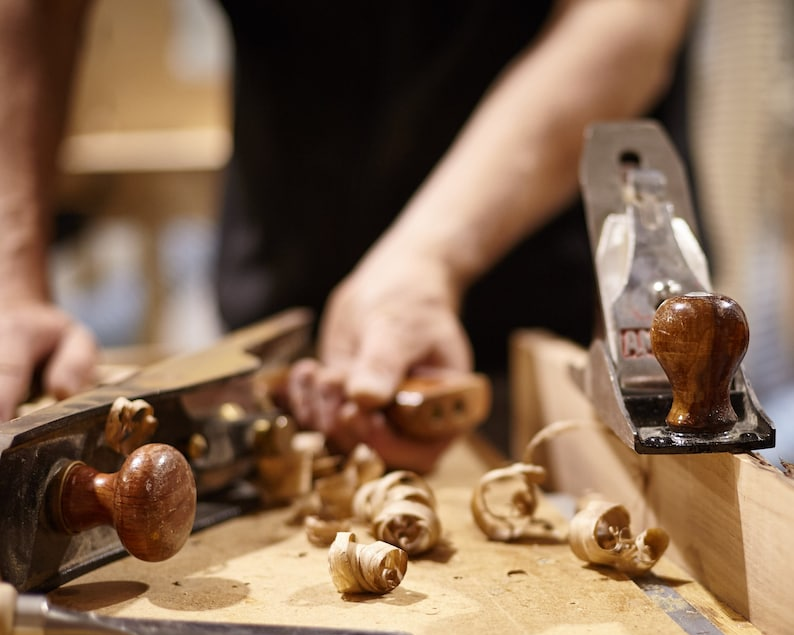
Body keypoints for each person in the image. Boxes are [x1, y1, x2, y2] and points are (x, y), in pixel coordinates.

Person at [0, 0, 697, 472]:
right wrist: (11, 272)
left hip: (558, 311)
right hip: (290, 297)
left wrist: (431, 255)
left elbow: (629, 17)